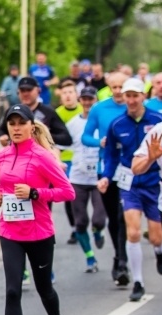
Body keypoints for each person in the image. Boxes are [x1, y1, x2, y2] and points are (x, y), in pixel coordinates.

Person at [0, 105, 75, 315]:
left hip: (39, 232)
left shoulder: (43, 157)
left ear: (31, 126)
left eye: (21, 123)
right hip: (10, 231)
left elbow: (67, 192)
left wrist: (35, 193)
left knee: (44, 288)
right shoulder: (2, 156)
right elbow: (3, 187)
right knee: (13, 289)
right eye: (11, 123)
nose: (16, 128)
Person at [100, 78, 162, 301]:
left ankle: (159, 251)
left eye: (136, 95)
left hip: (155, 183)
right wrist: (107, 176)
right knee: (133, 232)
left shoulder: (157, 121)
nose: (132, 100)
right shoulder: (117, 124)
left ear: (143, 97)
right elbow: (111, 156)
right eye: (128, 95)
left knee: (156, 238)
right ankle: (138, 281)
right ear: (124, 98)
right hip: (130, 182)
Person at [82, 72, 130, 285]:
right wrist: (98, 142)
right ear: (109, 87)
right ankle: (119, 256)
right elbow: (86, 136)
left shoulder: (134, 106)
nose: (119, 91)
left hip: (131, 169)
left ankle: (122, 260)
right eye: (115, 87)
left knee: (124, 216)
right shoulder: (99, 108)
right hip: (107, 169)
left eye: (122, 87)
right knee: (113, 217)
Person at [66, 86, 106, 272]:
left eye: (91, 99)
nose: (88, 103)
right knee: (80, 222)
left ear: (96, 100)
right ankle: (90, 257)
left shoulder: (102, 122)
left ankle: (98, 231)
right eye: (85, 99)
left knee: (98, 219)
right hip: (78, 178)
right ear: (80, 101)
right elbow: (59, 144)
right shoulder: (73, 123)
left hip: (98, 177)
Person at [0, 77, 72, 148]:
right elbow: (2, 130)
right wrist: (3, 137)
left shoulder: (48, 112)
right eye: (22, 90)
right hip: (19, 156)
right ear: (18, 92)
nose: (25, 93)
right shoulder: (12, 111)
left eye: (29, 90)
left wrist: (42, 136)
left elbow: (66, 138)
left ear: (38, 91)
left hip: (41, 156)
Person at [56, 80, 84, 245]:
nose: (67, 95)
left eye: (70, 92)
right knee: (69, 194)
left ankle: (83, 222)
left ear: (76, 95)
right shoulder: (57, 113)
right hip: (63, 159)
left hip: (81, 158)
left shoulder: (84, 111)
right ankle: (75, 227)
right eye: (64, 93)